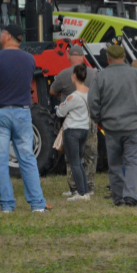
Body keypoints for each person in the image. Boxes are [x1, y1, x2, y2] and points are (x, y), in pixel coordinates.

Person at [0, 24, 49, 213]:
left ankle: (7, 204)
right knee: (27, 158)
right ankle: (37, 204)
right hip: (23, 112)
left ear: (7, 36)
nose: (0, 36)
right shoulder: (30, 59)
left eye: (1, 34)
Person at [88, 45, 137, 207]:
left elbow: (93, 102)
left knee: (115, 164)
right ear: (125, 57)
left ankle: (118, 198)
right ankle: (130, 195)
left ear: (108, 59)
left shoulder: (101, 77)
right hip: (133, 127)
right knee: (132, 162)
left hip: (111, 128)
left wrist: (99, 119)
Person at [50, 45, 97, 196]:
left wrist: (61, 99)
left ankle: (75, 188)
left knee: (72, 156)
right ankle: (89, 186)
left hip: (71, 120)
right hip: (90, 119)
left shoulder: (64, 74)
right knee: (90, 153)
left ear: (69, 57)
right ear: (83, 57)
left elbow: (52, 91)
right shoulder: (94, 74)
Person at [55, 64, 92, 201]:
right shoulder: (89, 93)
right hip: (84, 129)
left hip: (72, 131)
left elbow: (60, 112)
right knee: (80, 162)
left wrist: (60, 106)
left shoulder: (73, 97)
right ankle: (85, 190)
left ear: (75, 76)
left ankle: (81, 193)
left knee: (74, 162)